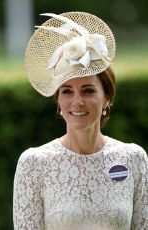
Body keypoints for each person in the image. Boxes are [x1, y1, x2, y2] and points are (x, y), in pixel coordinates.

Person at [13, 12, 148, 230]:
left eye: (88, 90)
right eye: (67, 91)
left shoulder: (134, 158)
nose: (77, 101)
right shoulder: (34, 163)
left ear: (106, 98)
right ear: (58, 100)